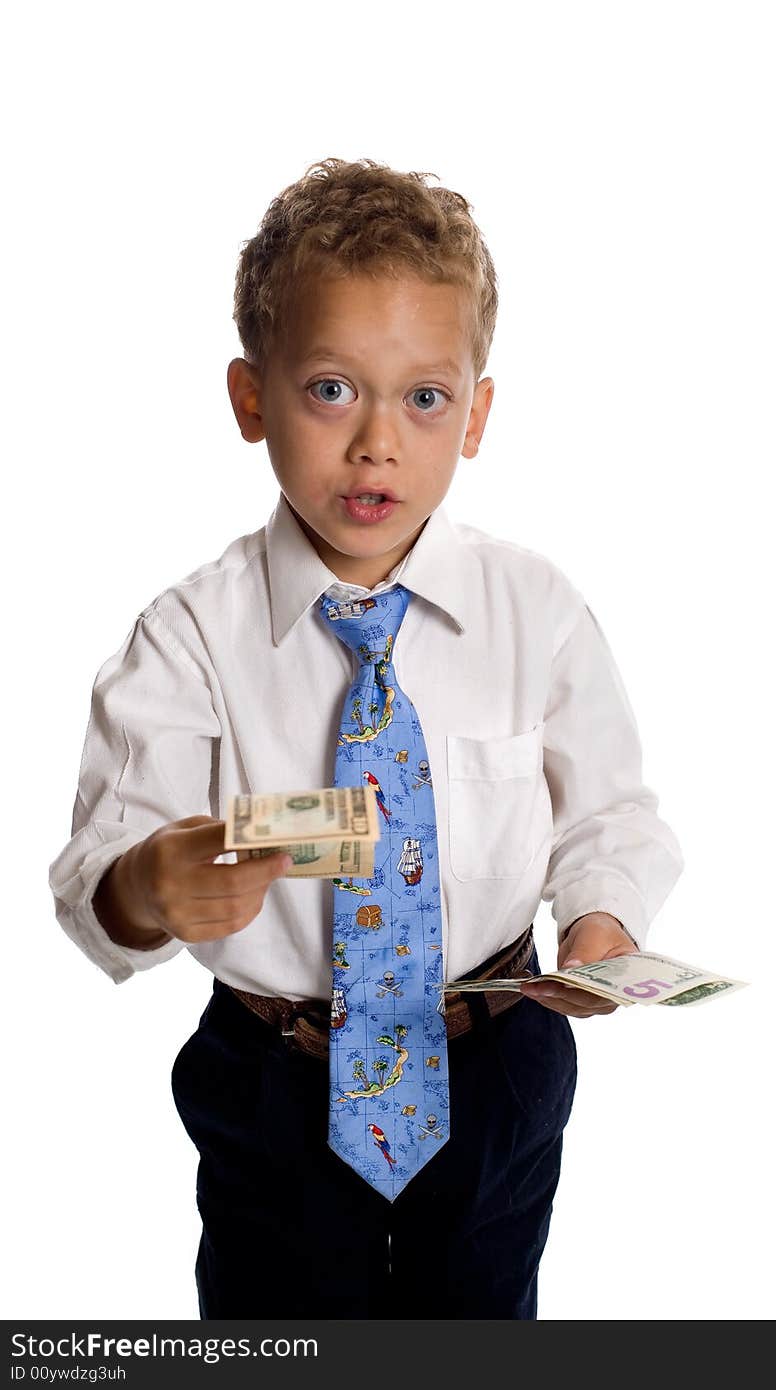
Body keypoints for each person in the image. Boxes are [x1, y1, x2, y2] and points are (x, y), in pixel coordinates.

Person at [48, 156, 685, 1319]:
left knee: (479, 1317)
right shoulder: (190, 634)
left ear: (478, 413)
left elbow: (610, 813)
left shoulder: (533, 612)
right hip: (275, 1079)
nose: (376, 443)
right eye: (331, 390)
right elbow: (101, 874)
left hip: (493, 1062)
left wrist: (599, 921)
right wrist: (154, 883)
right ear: (252, 399)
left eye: (425, 398)